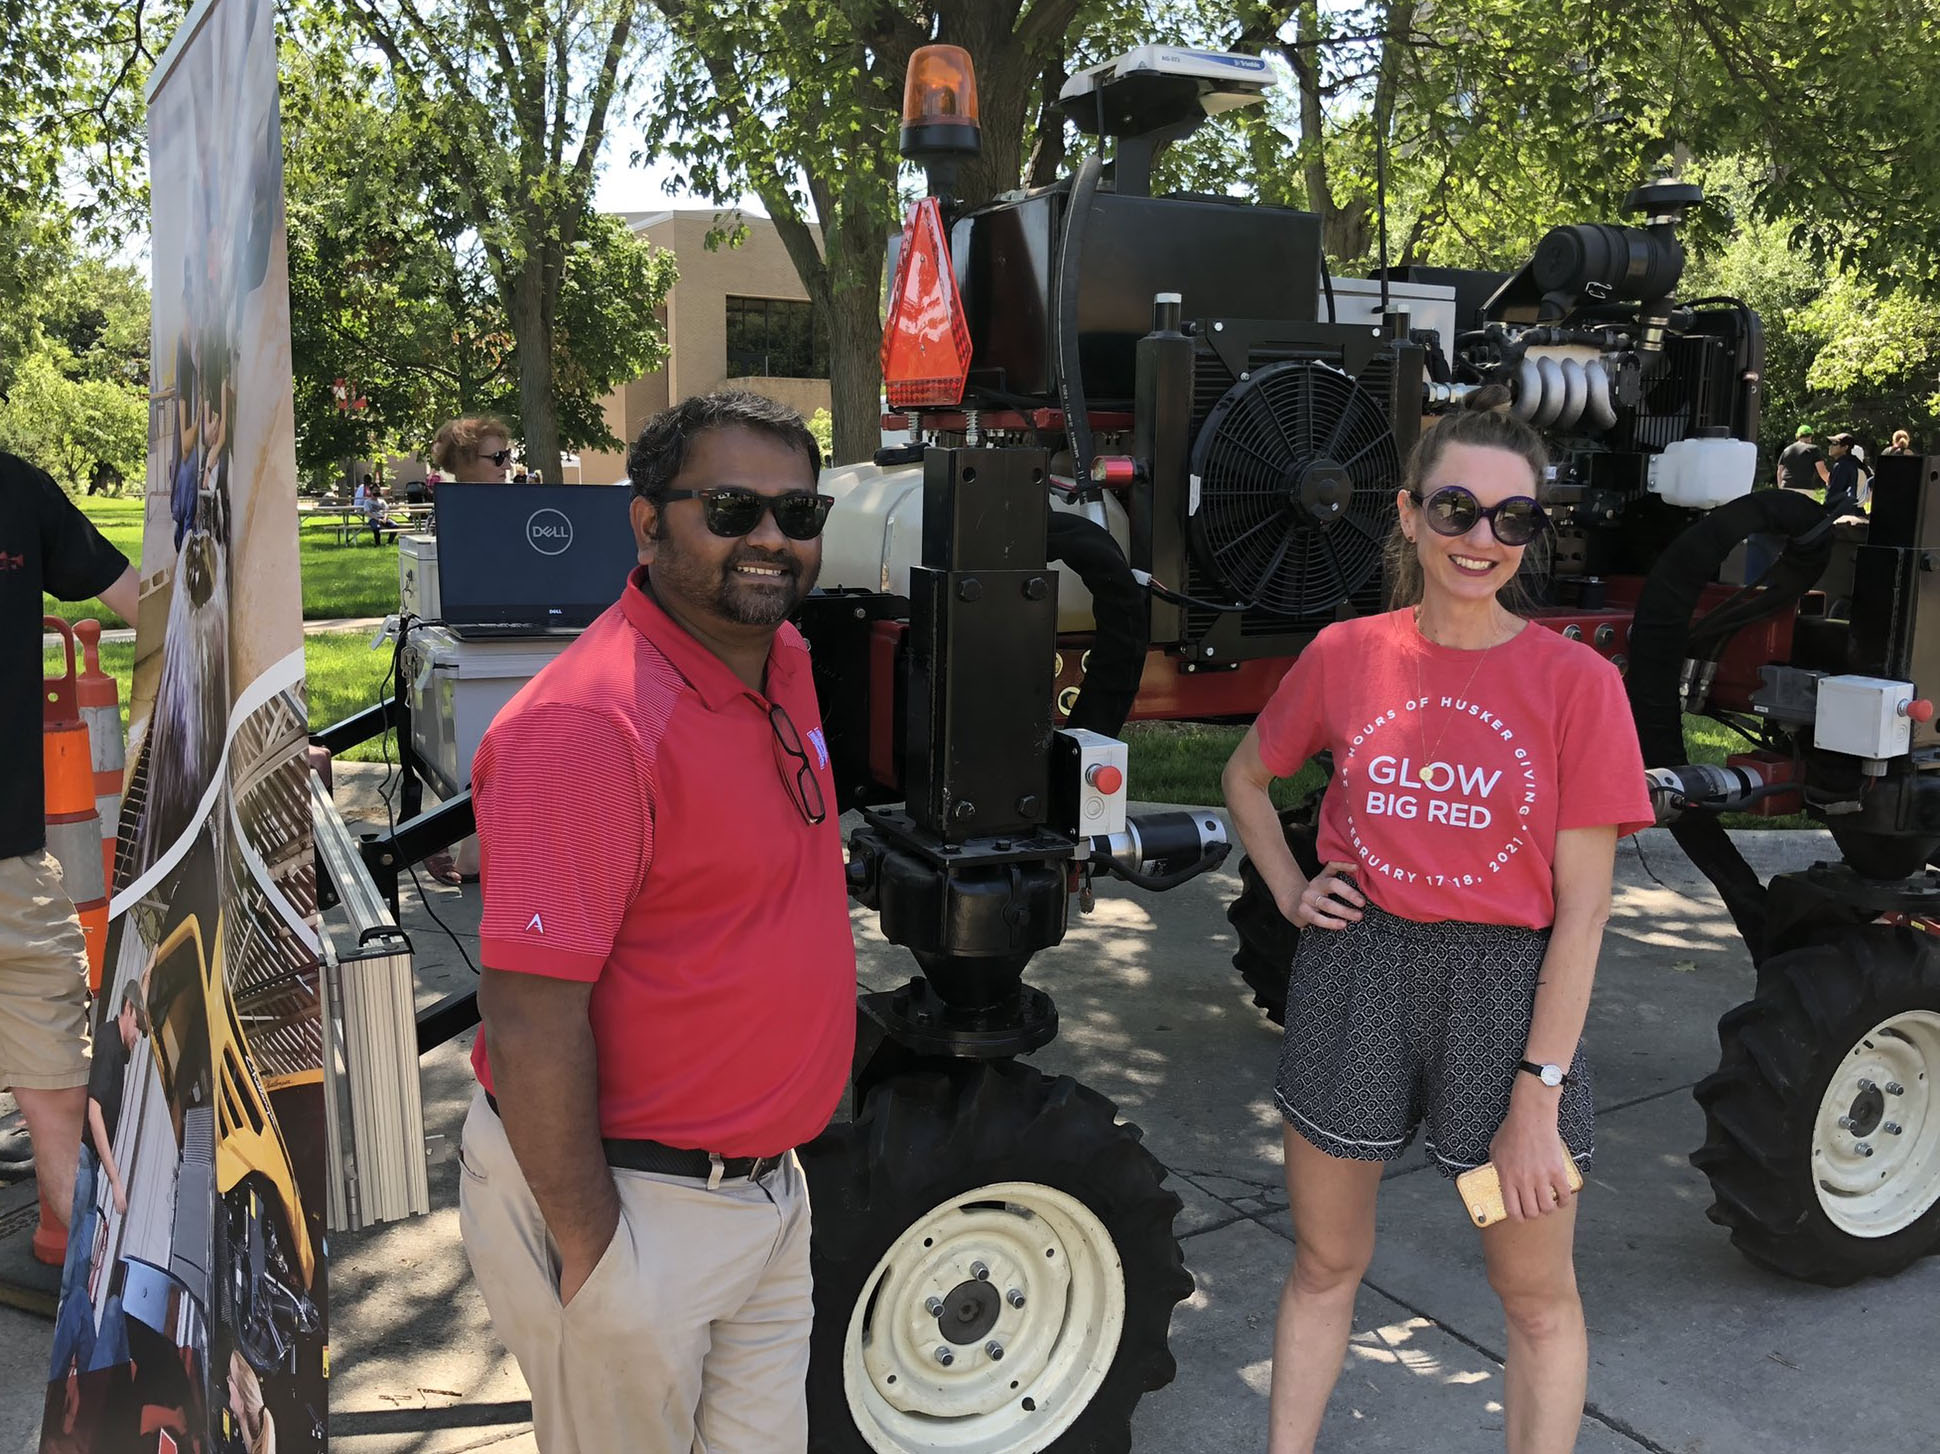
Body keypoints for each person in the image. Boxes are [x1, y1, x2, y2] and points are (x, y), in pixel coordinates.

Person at [1222, 399, 1654, 1454]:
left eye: (1513, 520)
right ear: (1409, 514)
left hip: (1507, 996)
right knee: (1325, 1261)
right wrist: (1286, 888)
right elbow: (1245, 775)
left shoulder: (1576, 685)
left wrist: (1535, 1095)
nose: (1481, 540)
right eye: (1457, 508)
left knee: (1531, 1291)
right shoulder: (1343, 653)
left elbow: (1585, 910)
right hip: (1358, 967)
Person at [457, 391, 852, 1454]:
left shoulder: (782, 662)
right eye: (730, 507)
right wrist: (594, 1260)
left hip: (766, 1193)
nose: (769, 537)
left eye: (795, 513)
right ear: (646, 522)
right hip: (633, 1210)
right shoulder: (589, 724)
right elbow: (531, 1018)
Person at [1, 451, 140, 1258]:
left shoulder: (18, 490)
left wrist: (256, 713)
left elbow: (146, 605)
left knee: (59, 1081)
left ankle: (88, 1268)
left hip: (15, 869)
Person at [430, 415, 515, 484]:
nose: (508, 466)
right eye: (497, 457)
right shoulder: (448, 504)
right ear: (464, 461)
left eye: (507, 454)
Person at [1775, 425, 1828, 493]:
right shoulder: (1813, 449)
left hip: (1786, 487)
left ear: (1797, 436)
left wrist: (1780, 488)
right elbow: (1822, 471)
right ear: (1810, 436)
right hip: (1805, 488)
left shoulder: (1787, 450)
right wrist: (1830, 482)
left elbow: (1779, 471)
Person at [1827, 432, 1869, 511]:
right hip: (1857, 510)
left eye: (1835, 444)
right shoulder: (1856, 463)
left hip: (1843, 514)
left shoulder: (1842, 465)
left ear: (1845, 447)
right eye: (1830, 443)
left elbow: (1833, 494)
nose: (1830, 446)